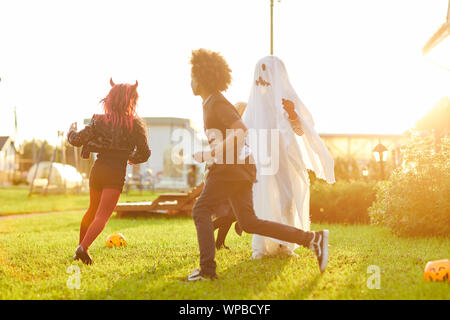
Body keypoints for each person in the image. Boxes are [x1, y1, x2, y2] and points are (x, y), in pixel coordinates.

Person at [187, 48, 330, 281]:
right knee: (249, 222)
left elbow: (241, 131)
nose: (190, 80)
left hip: (230, 168)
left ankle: (206, 270)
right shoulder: (212, 103)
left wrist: (212, 153)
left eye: (193, 75)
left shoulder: (217, 104)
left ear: (202, 77)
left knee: (201, 210)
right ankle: (313, 239)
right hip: (240, 167)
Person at [242, 56, 335, 260]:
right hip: (262, 161)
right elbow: (244, 134)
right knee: (261, 197)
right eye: (260, 72)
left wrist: (293, 115)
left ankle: (286, 245)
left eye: (267, 72)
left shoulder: (288, 101)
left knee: (287, 199)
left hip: (285, 160)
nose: (263, 78)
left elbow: (301, 131)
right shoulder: (254, 104)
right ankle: (262, 246)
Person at [67, 78, 151, 265]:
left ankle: (79, 247)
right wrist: (132, 158)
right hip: (115, 172)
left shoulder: (99, 121)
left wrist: (70, 130)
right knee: (102, 216)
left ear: (111, 99)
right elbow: (145, 153)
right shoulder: (135, 124)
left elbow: (76, 139)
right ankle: (82, 248)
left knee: (92, 210)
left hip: (98, 169)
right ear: (131, 100)